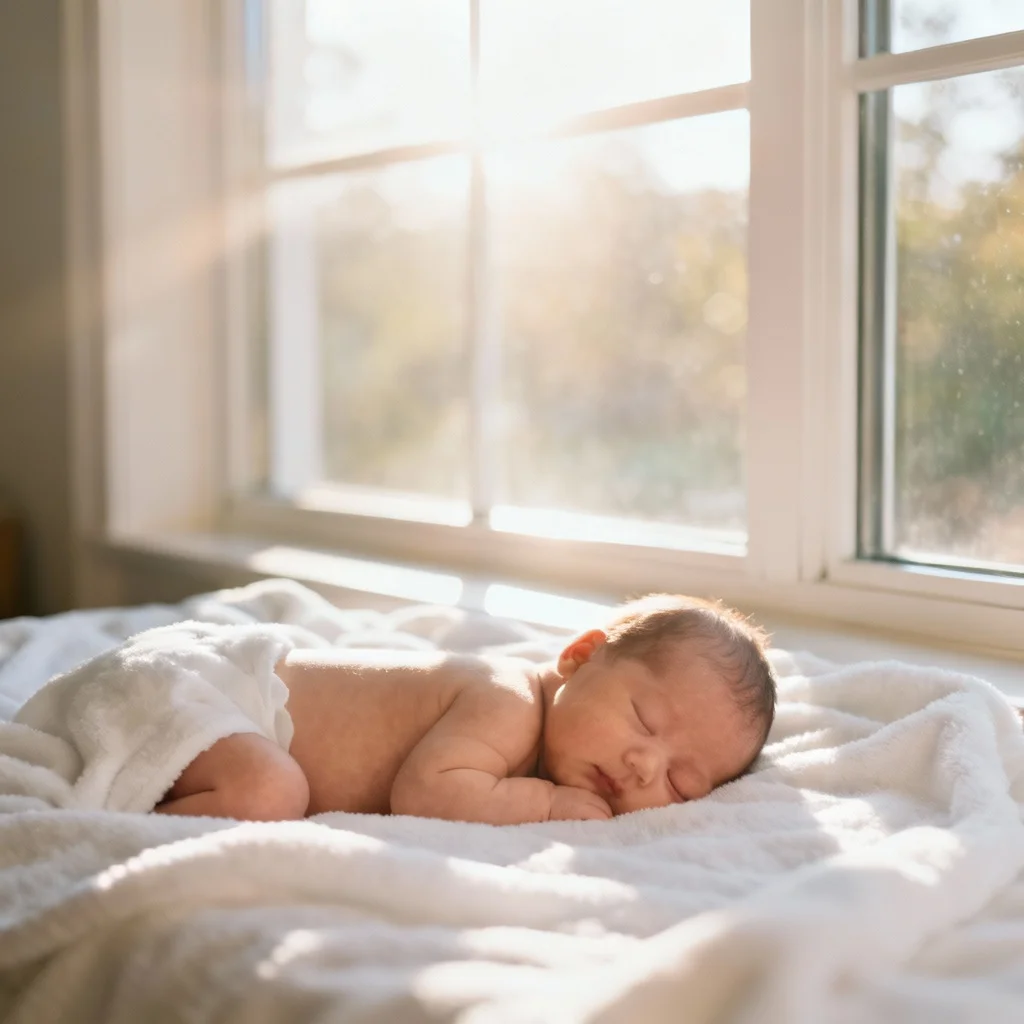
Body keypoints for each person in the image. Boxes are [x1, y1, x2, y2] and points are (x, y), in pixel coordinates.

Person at [151, 593, 776, 824]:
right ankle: (129, 800)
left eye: (679, 780)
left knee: (267, 789)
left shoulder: (537, 743)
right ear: (581, 657)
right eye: (645, 721)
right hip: (215, 694)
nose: (644, 764)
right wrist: (548, 805)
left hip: (225, 719)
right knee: (268, 794)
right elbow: (426, 795)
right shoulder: (506, 700)